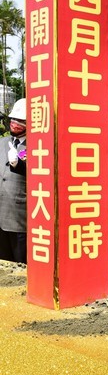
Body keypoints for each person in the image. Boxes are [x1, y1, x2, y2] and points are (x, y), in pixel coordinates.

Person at [0, 99, 27, 264]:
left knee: (21, 266)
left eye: (21, 121)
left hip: (20, 220)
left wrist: (19, 163)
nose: (15, 124)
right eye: (13, 119)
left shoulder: (38, 146)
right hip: (1, 216)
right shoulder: (2, 143)